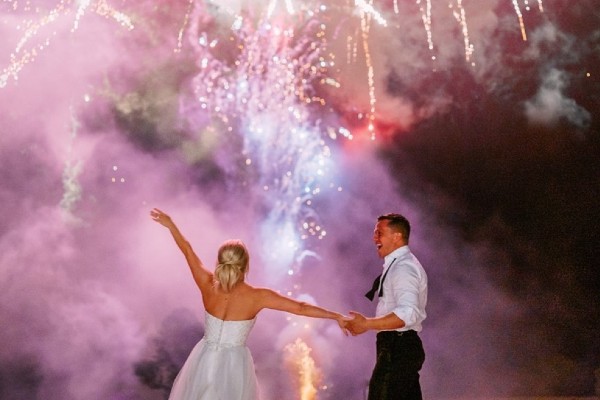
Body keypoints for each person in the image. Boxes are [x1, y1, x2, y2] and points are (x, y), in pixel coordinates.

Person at [150, 208, 348, 400]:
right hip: (233, 366)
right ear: (246, 265)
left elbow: (187, 250)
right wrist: (336, 316)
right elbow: (301, 308)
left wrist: (171, 225)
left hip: (204, 360)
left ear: (219, 262)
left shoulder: (207, 284)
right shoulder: (257, 296)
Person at [346, 213, 428, 400]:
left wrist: (366, 323)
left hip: (397, 347)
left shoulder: (403, 268)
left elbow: (406, 314)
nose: (375, 238)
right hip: (399, 348)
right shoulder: (399, 265)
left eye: (379, 233)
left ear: (397, 236)